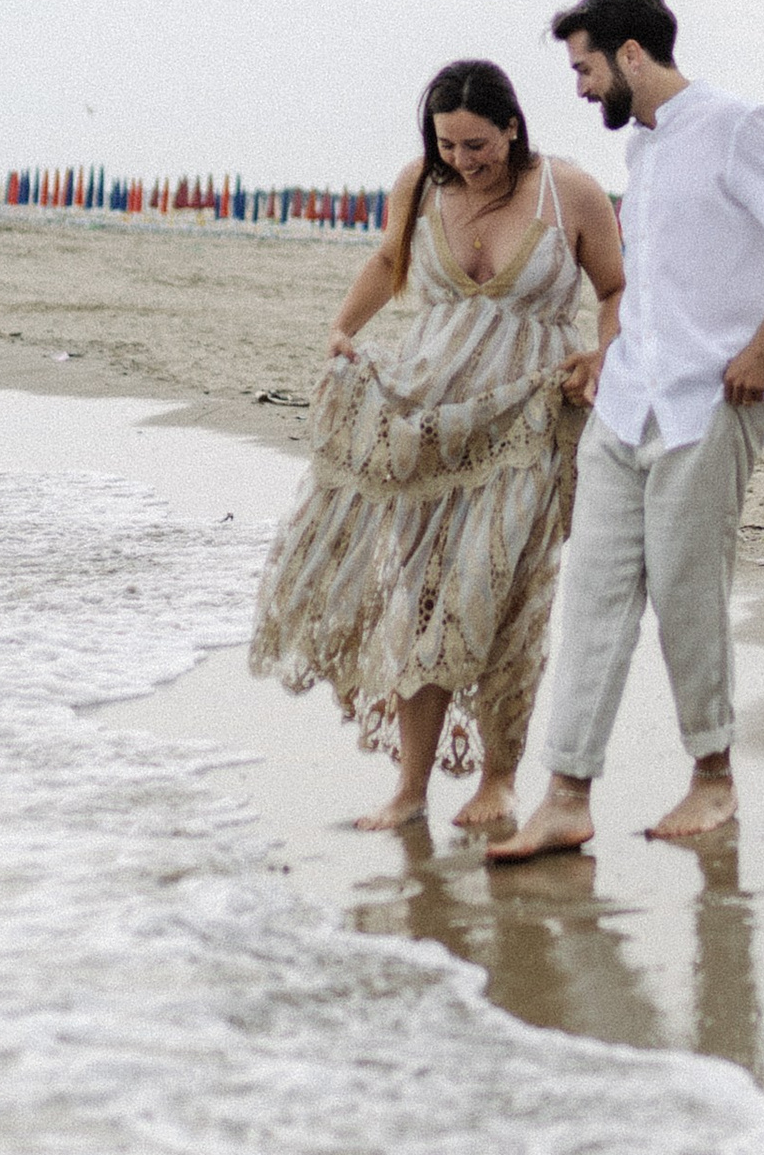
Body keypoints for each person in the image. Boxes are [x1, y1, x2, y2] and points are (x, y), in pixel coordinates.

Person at [489, 0, 764, 859]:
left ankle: (713, 779)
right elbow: (657, 287)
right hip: (627, 403)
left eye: (584, 67)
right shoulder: (645, 151)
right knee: (595, 595)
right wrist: (608, 353)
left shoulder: (737, 124)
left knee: (688, 597)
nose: (579, 88)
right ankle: (567, 794)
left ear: (631, 54)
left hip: (710, 402)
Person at [250, 59, 623, 835]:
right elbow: (389, 263)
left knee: (499, 595)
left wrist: (604, 355)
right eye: (448, 144)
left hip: (526, 421)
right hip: (429, 419)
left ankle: (497, 780)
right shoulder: (421, 183)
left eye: (477, 144)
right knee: (427, 598)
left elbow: (616, 289)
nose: (463, 159)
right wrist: (342, 328)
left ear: (513, 126)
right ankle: (410, 789)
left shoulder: (570, 191)